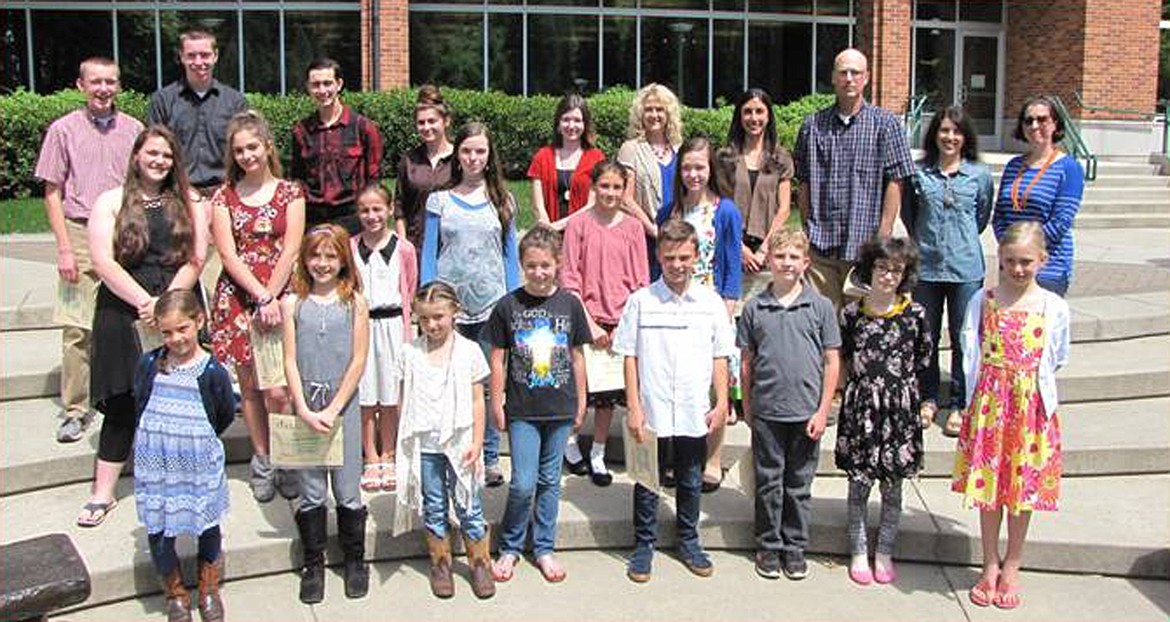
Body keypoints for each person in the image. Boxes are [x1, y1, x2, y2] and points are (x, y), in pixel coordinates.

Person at [78, 126, 207, 528]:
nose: (159, 161)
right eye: (152, 153)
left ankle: (188, 478)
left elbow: (197, 257)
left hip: (178, 303)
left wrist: (167, 305)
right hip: (123, 308)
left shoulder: (189, 201)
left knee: (183, 399)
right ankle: (103, 493)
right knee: (122, 401)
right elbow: (103, 260)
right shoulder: (111, 202)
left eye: (167, 155)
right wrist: (145, 303)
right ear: (137, 155)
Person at [952, 221, 1069, 611]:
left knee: (1021, 493)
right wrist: (974, 403)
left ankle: (1012, 564)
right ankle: (989, 563)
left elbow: (1057, 355)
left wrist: (1030, 391)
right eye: (1009, 262)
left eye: (1026, 262)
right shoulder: (983, 301)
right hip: (991, 405)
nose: (1017, 270)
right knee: (990, 491)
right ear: (998, 260)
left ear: (1042, 260)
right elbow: (970, 348)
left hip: (1030, 408)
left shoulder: (1053, 306)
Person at [613, 219, 736, 583]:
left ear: (697, 256)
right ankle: (643, 545)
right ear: (659, 256)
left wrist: (721, 402)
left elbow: (720, 357)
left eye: (684, 257)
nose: (677, 264)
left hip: (692, 407)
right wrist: (633, 406)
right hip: (651, 407)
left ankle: (689, 540)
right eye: (670, 257)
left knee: (691, 477)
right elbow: (629, 357)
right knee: (647, 479)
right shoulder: (641, 301)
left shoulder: (711, 304)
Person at [34, 56, 144, 443]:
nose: (103, 89)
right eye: (95, 82)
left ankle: (135, 397)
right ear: (80, 85)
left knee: (131, 321)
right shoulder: (62, 130)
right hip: (80, 233)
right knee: (77, 327)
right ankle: (76, 409)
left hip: (124, 233)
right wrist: (64, 248)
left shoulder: (134, 130)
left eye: (110, 82)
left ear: (118, 86)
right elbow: (51, 191)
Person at [486, 225, 591, 583]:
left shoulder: (569, 304)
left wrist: (582, 400)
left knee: (550, 481)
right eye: (531, 265)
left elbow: (577, 357)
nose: (539, 272)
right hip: (523, 410)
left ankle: (544, 546)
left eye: (545, 265)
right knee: (522, 483)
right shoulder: (508, 306)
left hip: (560, 406)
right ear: (521, 265)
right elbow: (497, 359)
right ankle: (511, 546)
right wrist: (496, 402)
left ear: (557, 264)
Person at [420, 122, 521, 488]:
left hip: (493, 304)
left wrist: (517, 302)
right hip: (450, 308)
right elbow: (429, 253)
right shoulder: (440, 201)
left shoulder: (503, 201)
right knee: (449, 380)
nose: (473, 158)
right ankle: (448, 449)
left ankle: (490, 455)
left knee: (489, 381)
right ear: (457, 155)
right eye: (466, 151)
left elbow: (511, 257)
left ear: (489, 155)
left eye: (480, 151)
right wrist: (427, 301)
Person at [210, 110, 305, 503]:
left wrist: (274, 296)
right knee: (250, 386)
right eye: (239, 150)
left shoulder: (291, 193)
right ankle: (262, 458)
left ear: (267, 147)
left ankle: (286, 459)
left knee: (279, 389)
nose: (247, 155)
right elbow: (228, 257)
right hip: (238, 299)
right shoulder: (223, 197)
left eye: (253, 147)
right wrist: (259, 297)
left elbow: (292, 247)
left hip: (281, 295)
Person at [737, 227, 841, 581]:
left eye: (794, 257)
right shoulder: (755, 308)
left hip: (806, 411)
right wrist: (747, 405)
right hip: (767, 410)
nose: (786, 263)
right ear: (769, 259)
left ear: (806, 263)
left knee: (798, 483)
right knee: (768, 481)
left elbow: (832, 360)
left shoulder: (821, 307)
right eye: (780, 256)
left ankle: (794, 545)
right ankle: (768, 544)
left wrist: (824, 409)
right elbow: (746, 361)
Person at [280, 224, 371, 604]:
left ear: (343, 261)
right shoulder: (293, 303)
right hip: (306, 405)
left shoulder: (354, 303)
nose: (322, 263)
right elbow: (288, 358)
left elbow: (359, 359)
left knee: (347, 487)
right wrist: (302, 406)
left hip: (342, 405)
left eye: (331, 256)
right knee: (311, 488)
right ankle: (313, 562)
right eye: (315, 255)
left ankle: (354, 559)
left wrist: (335, 408)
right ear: (304, 259)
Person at [835, 236, 931, 586]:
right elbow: (842, 357)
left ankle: (885, 550)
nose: (888, 276)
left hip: (899, 411)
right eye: (881, 267)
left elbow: (923, 357)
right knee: (858, 485)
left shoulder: (915, 315)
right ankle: (858, 549)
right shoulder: (851, 314)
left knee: (893, 487)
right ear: (868, 268)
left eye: (896, 270)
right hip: (862, 408)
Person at [133, 290, 234, 622]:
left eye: (183, 329)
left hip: (198, 459)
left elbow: (223, 415)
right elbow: (141, 402)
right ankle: (174, 591)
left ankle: (208, 587)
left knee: (206, 522)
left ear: (199, 321)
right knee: (160, 527)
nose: (175, 339)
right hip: (158, 460)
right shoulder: (149, 364)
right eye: (167, 332)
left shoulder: (212, 370)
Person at [393, 282, 495, 600]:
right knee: (434, 505)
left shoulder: (469, 351)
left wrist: (478, 442)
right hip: (426, 444)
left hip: (461, 441)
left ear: (455, 313)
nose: (432, 325)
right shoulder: (410, 353)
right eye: (424, 319)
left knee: (469, 505)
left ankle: (480, 561)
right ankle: (440, 562)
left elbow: (478, 400)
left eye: (438, 316)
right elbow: (402, 400)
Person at [794, 48, 915, 310]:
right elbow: (802, 180)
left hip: (864, 247)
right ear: (833, 78)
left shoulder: (886, 124)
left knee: (862, 327)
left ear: (867, 77)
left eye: (855, 73)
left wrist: (884, 231)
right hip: (821, 247)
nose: (849, 78)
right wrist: (806, 225)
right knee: (821, 326)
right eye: (843, 72)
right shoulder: (812, 126)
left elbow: (896, 180)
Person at [656, 136, 742, 492]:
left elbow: (732, 265)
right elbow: (657, 261)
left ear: (711, 170)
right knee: (677, 380)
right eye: (687, 167)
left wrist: (726, 309)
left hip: (711, 305)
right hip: (673, 306)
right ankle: (677, 455)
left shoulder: (725, 211)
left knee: (712, 384)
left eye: (700, 167)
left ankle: (712, 457)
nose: (693, 174)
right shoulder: (669, 212)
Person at [903, 106, 994, 436]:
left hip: (965, 268)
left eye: (956, 132)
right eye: (943, 131)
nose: (950, 137)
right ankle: (927, 398)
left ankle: (959, 402)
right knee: (925, 337)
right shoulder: (918, 173)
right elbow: (910, 217)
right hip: (926, 267)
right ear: (934, 135)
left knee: (963, 337)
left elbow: (981, 216)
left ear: (965, 137)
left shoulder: (979, 175)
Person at [560, 161, 650, 486]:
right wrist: (591, 325)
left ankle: (598, 452)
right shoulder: (579, 225)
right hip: (587, 320)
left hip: (621, 322)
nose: (610, 193)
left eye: (617, 187)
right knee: (580, 392)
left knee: (608, 396)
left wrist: (624, 326)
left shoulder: (633, 228)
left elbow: (641, 280)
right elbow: (569, 278)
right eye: (605, 186)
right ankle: (570, 444)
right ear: (594, 187)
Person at [351, 184, 417, 493]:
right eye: (365, 210)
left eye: (377, 209)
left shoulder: (403, 248)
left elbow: (411, 286)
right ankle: (370, 455)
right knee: (366, 395)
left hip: (393, 325)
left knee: (390, 395)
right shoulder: (350, 248)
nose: (371, 216)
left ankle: (388, 453)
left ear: (389, 210)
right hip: (363, 325)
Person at [992, 96, 1084, 297]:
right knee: (1011, 326)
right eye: (1028, 120)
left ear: (1055, 124)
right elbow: (999, 216)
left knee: (1039, 327)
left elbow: (1060, 222)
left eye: (1042, 120)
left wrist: (1026, 253)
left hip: (1047, 267)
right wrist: (1011, 252)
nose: (1035, 126)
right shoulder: (1013, 166)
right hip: (1011, 266)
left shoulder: (1069, 168)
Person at [290, 58, 383, 234]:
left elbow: (374, 177)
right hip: (313, 220)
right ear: (308, 88)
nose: (322, 90)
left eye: (327, 83)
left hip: (352, 219)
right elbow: (298, 178)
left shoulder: (363, 128)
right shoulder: (301, 131)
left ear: (339, 84)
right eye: (316, 85)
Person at [148, 29, 247, 195]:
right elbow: (154, 150)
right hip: (176, 194)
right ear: (181, 57)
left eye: (205, 55)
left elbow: (244, 150)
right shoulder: (162, 101)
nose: (199, 61)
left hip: (226, 193)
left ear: (215, 56)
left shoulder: (235, 102)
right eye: (191, 55)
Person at [725, 88, 795, 294]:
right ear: (739, 116)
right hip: (732, 246)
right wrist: (740, 249)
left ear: (768, 115)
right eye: (747, 111)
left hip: (767, 249)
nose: (753, 118)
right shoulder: (725, 157)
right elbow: (719, 208)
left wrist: (764, 249)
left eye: (759, 111)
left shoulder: (780, 158)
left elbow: (784, 209)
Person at [394, 85, 454, 266]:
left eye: (432, 121)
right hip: (417, 248)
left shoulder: (460, 159)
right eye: (421, 122)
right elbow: (400, 207)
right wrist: (404, 246)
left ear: (446, 121)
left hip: (451, 248)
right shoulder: (409, 160)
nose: (426, 127)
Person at [527, 93, 606, 231]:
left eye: (577, 120)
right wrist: (548, 230)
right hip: (549, 238)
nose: (571, 126)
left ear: (585, 124)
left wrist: (558, 226)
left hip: (584, 234)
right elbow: (537, 204)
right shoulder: (542, 157)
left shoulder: (597, 158)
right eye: (566, 119)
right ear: (558, 123)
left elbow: (592, 205)